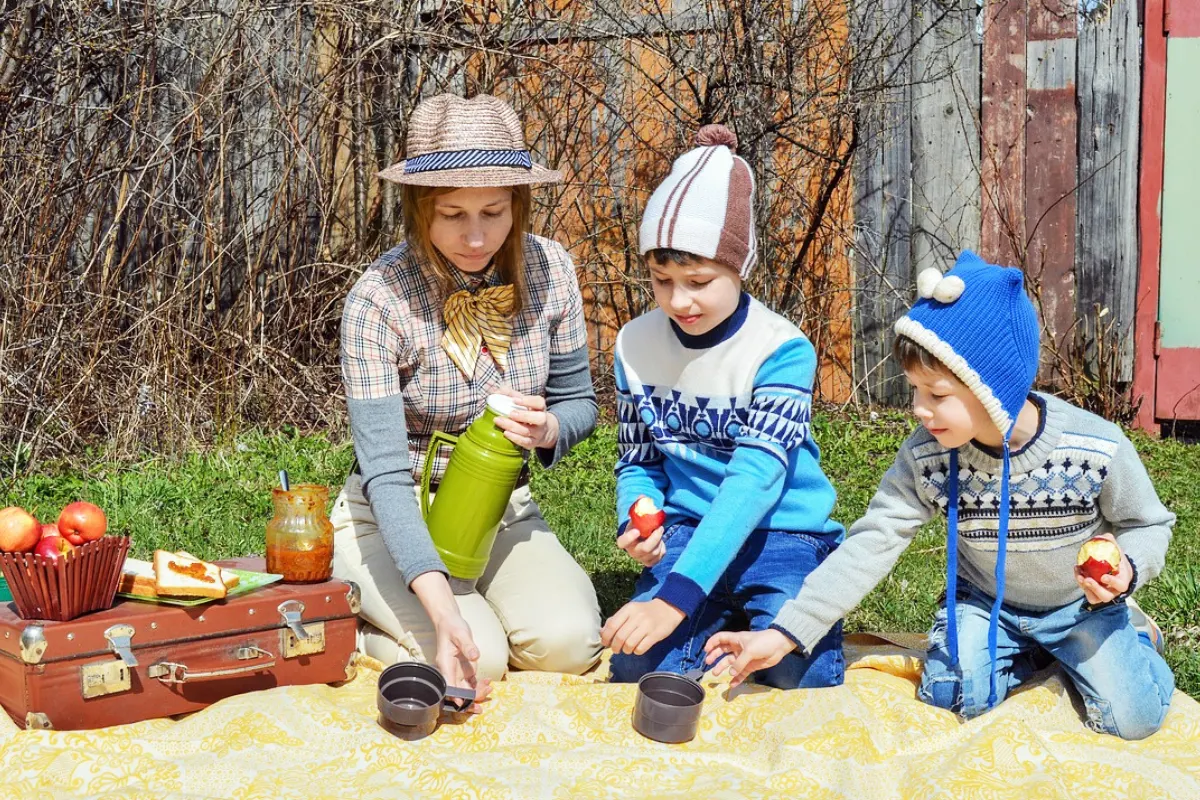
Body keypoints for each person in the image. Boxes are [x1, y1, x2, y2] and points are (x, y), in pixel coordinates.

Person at [706, 251, 1176, 740]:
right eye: (915, 390)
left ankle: (1137, 637)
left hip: (1081, 607)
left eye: (937, 393)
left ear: (993, 387)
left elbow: (1148, 523)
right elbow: (875, 540)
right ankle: (1026, 651)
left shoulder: (1095, 445)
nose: (919, 410)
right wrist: (786, 633)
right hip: (988, 604)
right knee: (952, 699)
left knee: (1134, 720)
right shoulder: (927, 456)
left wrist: (1128, 570)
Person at [332, 94, 603, 699]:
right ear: (418, 209)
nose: (476, 237)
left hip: (500, 508)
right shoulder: (378, 298)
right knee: (475, 661)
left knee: (569, 645)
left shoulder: (552, 269)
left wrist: (550, 430)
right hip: (391, 510)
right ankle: (354, 621)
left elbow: (580, 402)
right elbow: (382, 470)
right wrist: (440, 606)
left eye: (494, 211)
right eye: (453, 214)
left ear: (519, 204)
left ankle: (458, 609)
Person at [600, 124, 845, 689]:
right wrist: (636, 516)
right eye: (662, 280)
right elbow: (638, 459)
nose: (679, 300)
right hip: (687, 530)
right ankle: (717, 617)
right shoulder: (634, 346)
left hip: (782, 534)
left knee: (793, 674)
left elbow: (755, 481)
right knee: (641, 670)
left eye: (699, 280)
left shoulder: (780, 350)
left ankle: (750, 610)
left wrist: (676, 600)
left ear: (741, 267)